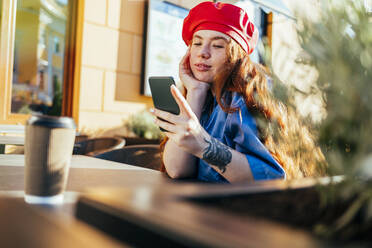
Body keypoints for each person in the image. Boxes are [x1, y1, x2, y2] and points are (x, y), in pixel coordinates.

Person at [152, 1, 326, 183]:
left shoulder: (250, 94)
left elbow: (270, 176)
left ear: (236, 56)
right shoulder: (201, 93)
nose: (203, 52)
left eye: (218, 45)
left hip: (244, 209)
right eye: (197, 43)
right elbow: (177, 170)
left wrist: (202, 144)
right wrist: (196, 93)